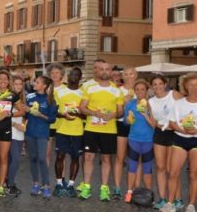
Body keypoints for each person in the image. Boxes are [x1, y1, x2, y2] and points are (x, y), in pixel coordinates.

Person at [162, 73, 197, 212]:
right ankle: (170, 203)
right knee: (173, 173)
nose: (193, 88)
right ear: (185, 86)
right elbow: (172, 122)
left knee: (193, 174)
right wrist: (181, 129)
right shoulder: (178, 103)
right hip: (180, 139)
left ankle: (191, 205)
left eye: (196, 85)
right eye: (190, 85)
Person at [78, 60, 124, 201]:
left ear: (111, 72)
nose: (104, 71)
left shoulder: (117, 90)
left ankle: (104, 188)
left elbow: (120, 112)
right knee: (88, 157)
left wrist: (112, 115)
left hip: (109, 130)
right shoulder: (90, 88)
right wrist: (93, 113)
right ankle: (86, 187)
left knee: (106, 159)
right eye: (102, 69)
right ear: (98, 71)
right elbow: (82, 108)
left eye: (107, 69)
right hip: (91, 128)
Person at [148, 74, 181, 210]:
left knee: (171, 169)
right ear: (152, 87)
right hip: (160, 133)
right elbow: (154, 123)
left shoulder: (174, 95)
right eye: (154, 84)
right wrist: (145, 116)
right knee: (160, 168)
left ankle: (178, 200)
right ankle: (162, 198)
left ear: (165, 84)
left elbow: (187, 108)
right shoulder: (150, 101)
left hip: (174, 133)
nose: (157, 87)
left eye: (160, 84)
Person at [123, 79, 155, 203]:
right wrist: (129, 120)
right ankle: (129, 193)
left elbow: (153, 125)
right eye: (138, 89)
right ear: (134, 91)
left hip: (148, 140)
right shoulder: (130, 104)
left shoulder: (151, 104)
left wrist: (145, 114)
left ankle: (149, 194)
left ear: (146, 91)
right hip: (134, 139)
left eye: (143, 89)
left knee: (147, 168)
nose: (140, 91)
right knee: (132, 167)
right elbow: (126, 121)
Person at [53, 66, 84, 197]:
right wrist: (63, 114)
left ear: (80, 78)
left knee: (75, 157)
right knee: (60, 156)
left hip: (78, 130)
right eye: (71, 74)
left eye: (76, 75)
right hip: (62, 129)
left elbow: (86, 114)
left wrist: (78, 114)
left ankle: (71, 185)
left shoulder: (84, 93)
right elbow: (54, 111)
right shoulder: (59, 91)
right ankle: (59, 183)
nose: (73, 76)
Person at [25, 76, 57, 199]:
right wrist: (26, 110)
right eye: (35, 81)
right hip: (30, 132)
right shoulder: (29, 97)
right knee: (32, 158)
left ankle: (47, 186)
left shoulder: (50, 100)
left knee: (42, 159)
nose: (34, 83)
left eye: (37, 82)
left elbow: (52, 119)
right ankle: (35, 184)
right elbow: (26, 114)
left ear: (44, 86)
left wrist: (40, 115)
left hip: (43, 133)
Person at [0, 69, 18, 196]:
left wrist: (10, 113)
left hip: (6, 130)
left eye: (5, 79)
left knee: (3, 158)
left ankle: (1, 185)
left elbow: (22, 110)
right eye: (0, 79)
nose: (3, 81)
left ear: (8, 81)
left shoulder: (12, 95)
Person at [112, 66, 137, 200]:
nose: (128, 76)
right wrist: (124, 103)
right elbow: (116, 112)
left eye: (131, 73)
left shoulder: (141, 89)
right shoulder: (118, 91)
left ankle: (133, 189)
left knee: (135, 159)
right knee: (120, 158)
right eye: (126, 74)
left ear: (136, 75)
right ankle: (117, 187)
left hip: (137, 126)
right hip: (122, 124)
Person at [7, 75, 27, 195]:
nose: (18, 86)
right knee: (15, 159)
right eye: (16, 84)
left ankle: (10, 182)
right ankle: (9, 184)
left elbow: (25, 115)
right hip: (11, 131)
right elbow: (3, 115)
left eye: (20, 84)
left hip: (20, 132)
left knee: (13, 159)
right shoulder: (9, 97)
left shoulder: (23, 97)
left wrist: (24, 125)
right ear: (11, 84)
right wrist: (15, 125)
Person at [46, 64, 65, 175]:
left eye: (57, 72)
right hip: (48, 124)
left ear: (62, 75)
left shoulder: (66, 89)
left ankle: (61, 179)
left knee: (61, 155)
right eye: (52, 73)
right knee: (46, 154)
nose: (54, 75)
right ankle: (46, 179)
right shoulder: (46, 88)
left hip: (61, 124)